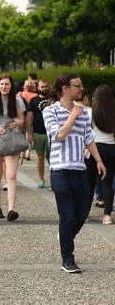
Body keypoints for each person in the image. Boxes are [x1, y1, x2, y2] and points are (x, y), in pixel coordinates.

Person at [43, 73, 106, 273]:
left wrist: (99, 160)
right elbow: (60, 135)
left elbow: (89, 137)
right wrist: (72, 116)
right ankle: (67, 259)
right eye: (77, 86)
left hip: (80, 169)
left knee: (82, 214)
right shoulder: (50, 111)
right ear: (65, 89)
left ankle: (65, 236)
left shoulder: (85, 113)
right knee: (67, 216)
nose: (81, 89)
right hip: (60, 170)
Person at [0, 74, 26, 221]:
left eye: (7, 84)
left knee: (11, 175)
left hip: (11, 140)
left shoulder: (17, 100)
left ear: (11, 86)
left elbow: (22, 119)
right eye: (1, 84)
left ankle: (11, 209)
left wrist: (17, 124)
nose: (4, 87)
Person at [87, 85, 115, 225]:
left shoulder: (90, 113)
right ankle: (107, 215)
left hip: (95, 149)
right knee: (107, 183)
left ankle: (85, 213)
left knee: (90, 182)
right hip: (111, 149)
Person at [26, 79, 51, 188]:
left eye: (46, 86)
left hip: (52, 133)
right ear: (38, 88)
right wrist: (29, 133)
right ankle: (41, 179)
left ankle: (53, 180)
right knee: (40, 156)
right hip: (38, 133)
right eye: (42, 87)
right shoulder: (33, 101)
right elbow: (29, 118)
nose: (44, 88)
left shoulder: (53, 100)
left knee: (52, 158)